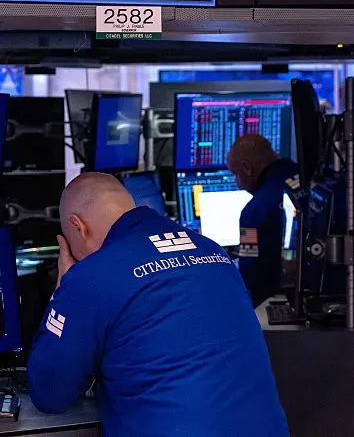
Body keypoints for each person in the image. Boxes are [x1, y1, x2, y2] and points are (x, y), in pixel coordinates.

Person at [28, 173, 288, 436]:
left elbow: (50, 392)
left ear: (77, 227)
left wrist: (62, 290)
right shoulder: (213, 252)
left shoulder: (91, 275)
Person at [227, 134, 302, 305]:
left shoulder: (253, 213)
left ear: (247, 168)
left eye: (235, 174)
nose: (238, 184)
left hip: (282, 300)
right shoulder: (306, 174)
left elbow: (251, 278)